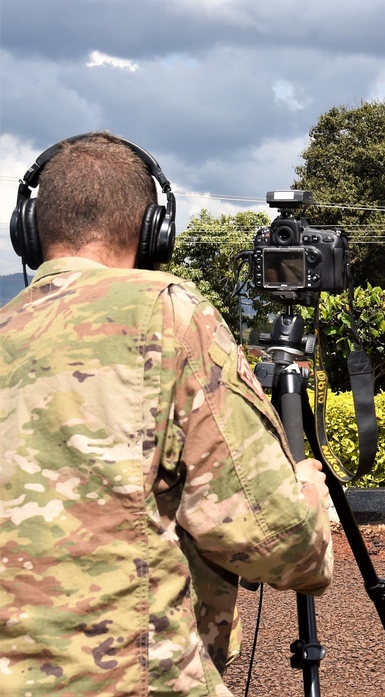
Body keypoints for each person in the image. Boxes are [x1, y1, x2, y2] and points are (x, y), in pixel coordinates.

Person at [0, 132, 335, 695]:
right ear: (156, 230)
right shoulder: (168, 314)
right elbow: (275, 544)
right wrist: (307, 496)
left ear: (29, 230)